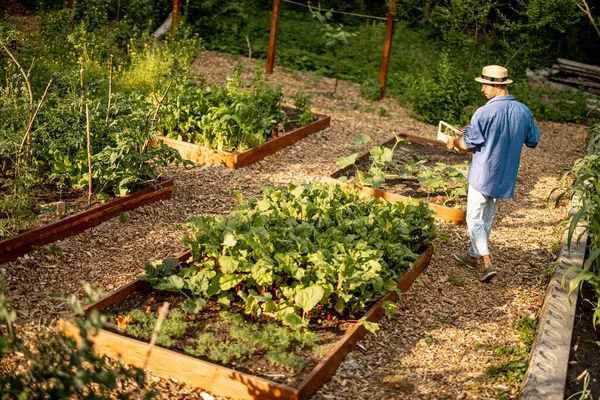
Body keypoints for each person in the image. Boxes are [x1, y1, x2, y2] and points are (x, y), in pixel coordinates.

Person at [445, 65, 540, 282]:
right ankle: (471, 256)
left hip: (483, 174)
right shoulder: (524, 111)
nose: (482, 90)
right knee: (486, 217)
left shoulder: (484, 112)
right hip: (505, 176)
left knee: (474, 219)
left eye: (485, 85)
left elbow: (467, 144)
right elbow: (533, 140)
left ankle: (487, 262)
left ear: (497, 85)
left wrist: (453, 141)